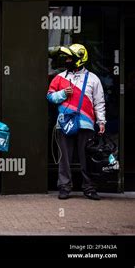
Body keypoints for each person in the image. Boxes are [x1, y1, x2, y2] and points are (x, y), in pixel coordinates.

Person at [47, 44, 106, 201]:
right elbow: (50, 97)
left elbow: (99, 102)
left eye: (70, 58)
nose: (67, 60)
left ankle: (89, 188)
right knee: (64, 158)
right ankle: (64, 187)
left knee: (86, 158)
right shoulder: (59, 78)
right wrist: (62, 94)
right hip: (64, 123)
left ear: (80, 59)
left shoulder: (94, 79)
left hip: (86, 124)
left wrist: (101, 121)